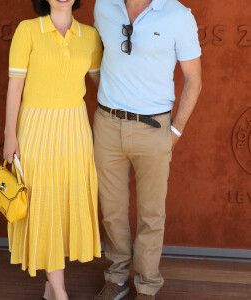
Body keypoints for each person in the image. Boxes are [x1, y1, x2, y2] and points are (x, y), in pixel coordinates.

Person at [93, 0, 202, 299]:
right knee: (112, 211)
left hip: (154, 129)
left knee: (151, 214)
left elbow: (194, 79)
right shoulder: (103, 6)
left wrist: (175, 131)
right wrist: (108, 94)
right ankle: (116, 279)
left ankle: (146, 284)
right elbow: (95, 56)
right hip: (106, 125)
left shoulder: (179, 15)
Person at [2, 0, 103, 299]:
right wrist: (10, 135)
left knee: (64, 206)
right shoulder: (28, 30)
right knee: (43, 207)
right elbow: (15, 87)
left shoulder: (91, 36)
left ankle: (50, 288)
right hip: (36, 129)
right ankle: (60, 292)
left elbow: (104, 84)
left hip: (75, 131)